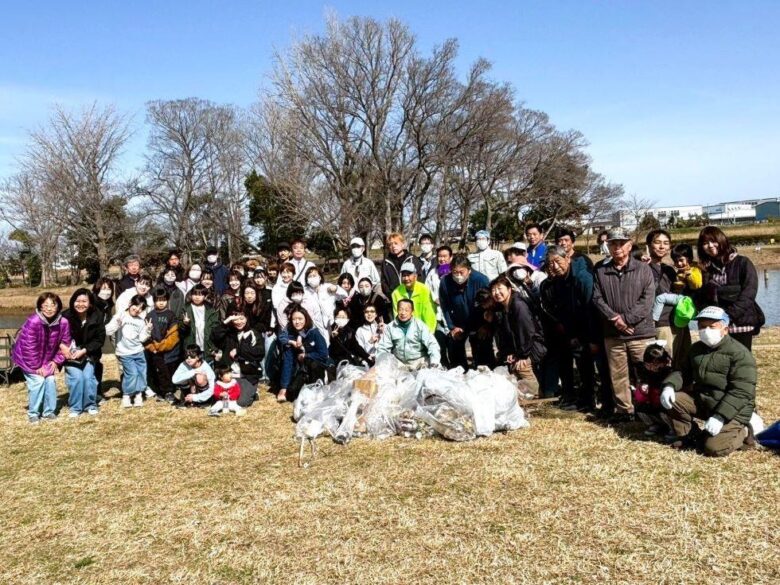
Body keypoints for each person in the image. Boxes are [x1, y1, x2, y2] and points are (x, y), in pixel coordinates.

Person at [660, 306, 757, 456]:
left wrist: (720, 416)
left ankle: (743, 432)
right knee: (674, 400)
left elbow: (741, 392)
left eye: (712, 326)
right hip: (705, 401)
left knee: (713, 448)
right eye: (702, 327)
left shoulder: (740, 354)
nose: (706, 331)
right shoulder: (696, 349)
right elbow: (683, 372)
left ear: (725, 329)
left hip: (734, 410)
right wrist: (669, 385)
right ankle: (689, 435)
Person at [592, 228, 656, 423]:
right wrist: (615, 319)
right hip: (613, 334)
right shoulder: (600, 270)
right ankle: (624, 411)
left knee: (647, 372)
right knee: (618, 375)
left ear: (629, 245)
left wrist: (627, 319)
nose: (617, 247)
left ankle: (649, 409)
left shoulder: (643, 269)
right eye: (613, 243)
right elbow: (597, 298)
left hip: (640, 332)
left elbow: (647, 300)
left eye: (621, 243)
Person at [539, 245, 598, 411]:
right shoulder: (558, 281)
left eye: (557, 261)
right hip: (573, 330)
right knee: (577, 363)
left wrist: (592, 338)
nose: (555, 266)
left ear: (567, 258)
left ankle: (591, 401)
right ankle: (580, 399)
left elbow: (591, 308)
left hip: (590, 328)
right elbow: (564, 310)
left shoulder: (582, 277)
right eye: (550, 264)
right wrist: (571, 334)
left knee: (587, 366)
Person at [696, 225, 764, 350]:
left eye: (713, 241)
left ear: (722, 240)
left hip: (741, 324)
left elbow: (749, 293)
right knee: (719, 358)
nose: (710, 246)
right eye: (705, 243)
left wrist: (728, 316)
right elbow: (702, 297)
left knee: (740, 358)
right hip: (716, 327)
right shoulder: (706, 269)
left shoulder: (742, 263)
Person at [12, 293, 72, 423]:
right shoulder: (33, 321)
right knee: (38, 381)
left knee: (50, 380)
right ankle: (33, 413)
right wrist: (37, 367)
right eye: (45, 305)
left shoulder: (63, 322)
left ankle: (48, 411)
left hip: (47, 360)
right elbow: (29, 348)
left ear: (58, 307)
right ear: (40, 307)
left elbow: (65, 344)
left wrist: (56, 361)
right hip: (27, 359)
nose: (49, 309)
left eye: (53, 305)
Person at [490, 275, 545, 396]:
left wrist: (522, 356)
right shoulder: (502, 308)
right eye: (493, 290)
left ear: (509, 289)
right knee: (508, 366)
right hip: (521, 348)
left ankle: (536, 393)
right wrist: (510, 352)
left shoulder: (518, 305)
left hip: (534, 345)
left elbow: (527, 332)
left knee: (521, 366)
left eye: (499, 288)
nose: (496, 293)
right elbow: (507, 335)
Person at [438, 254, 490, 370]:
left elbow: (489, 305)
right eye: (455, 272)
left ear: (469, 270)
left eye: (461, 272)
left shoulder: (481, 280)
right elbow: (445, 306)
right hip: (458, 321)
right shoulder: (445, 282)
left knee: (482, 351)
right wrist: (452, 327)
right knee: (454, 344)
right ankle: (460, 370)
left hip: (479, 321)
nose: (458, 276)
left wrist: (486, 325)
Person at [62, 289, 106, 417]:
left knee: (88, 378)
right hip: (71, 354)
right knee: (76, 378)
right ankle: (75, 407)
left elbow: (99, 339)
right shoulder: (65, 316)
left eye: (84, 301)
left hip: (89, 353)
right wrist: (63, 347)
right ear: (72, 301)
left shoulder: (97, 315)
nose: (80, 304)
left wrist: (84, 350)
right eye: (78, 301)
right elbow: (56, 336)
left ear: (90, 303)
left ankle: (90, 405)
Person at [277, 306, 333, 402]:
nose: (297, 322)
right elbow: (281, 338)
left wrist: (306, 355)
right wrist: (292, 342)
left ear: (306, 319)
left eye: (300, 319)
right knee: (292, 394)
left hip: (316, 365)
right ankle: (285, 386)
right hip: (301, 368)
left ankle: (318, 387)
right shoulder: (290, 329)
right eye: (294, 319)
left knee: (313, 364)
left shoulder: (314, 332)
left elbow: (323, 354)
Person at [105, 294, 152, 408]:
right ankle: (126, 396)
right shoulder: (121, 315)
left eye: (141, 308)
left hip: (138, 351)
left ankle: (138, 395)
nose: (137, 310)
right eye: (136, 305)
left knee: (141, 373)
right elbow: (107, 331)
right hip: (125, 353)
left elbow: (142, 339)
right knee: (131, 374)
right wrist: (117, 324)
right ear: (130, 303)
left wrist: (148, 330)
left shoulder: (141, 321)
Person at [212, 310, 265, 407]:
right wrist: (226, 321)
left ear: (247, 318)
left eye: (242, 318)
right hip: (229, 375)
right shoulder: (228, 333)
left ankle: (253, 391)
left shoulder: (253, 333)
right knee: (219, 399)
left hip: (246, 375)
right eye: (235, 319)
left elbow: (259, 353)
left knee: (242, 402)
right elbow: (214, 336)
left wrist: (239, 351)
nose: (239, 322)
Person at [376, 299, 441, 369]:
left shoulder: (420, 325)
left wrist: (434, 361)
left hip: (419, 361)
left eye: (406, 310)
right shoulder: (390, 327)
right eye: (400, 309)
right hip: (399, 363)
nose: (403, 313)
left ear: (412, 311)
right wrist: (382, 362)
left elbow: (432, 345)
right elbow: (383, 348)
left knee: (435, 367)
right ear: (397, 310)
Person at [143, 288, 181, 403]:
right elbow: (145, 334)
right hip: (155, 350)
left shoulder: (171, 315)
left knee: (169, 371)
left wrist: (163, 345)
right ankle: (161, 391)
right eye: (158, 300)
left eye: (164, 300)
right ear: (154, 301)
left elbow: (174, 333)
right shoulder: (150, 315)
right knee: (159, 371)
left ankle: (169, 391)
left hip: (169, 350)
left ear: (167, 301)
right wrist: (152, 347)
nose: (161, 303)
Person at [634, 342, 674, 438]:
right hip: (651, 401)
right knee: (640, 409)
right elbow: (641, 384)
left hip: (664, 403)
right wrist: (642, 387)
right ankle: (654, 425)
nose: (652, 368)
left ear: (664, 363)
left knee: (664, 412)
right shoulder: (643, 370)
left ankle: (672, 428)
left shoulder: (668, 372)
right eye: (648, 364)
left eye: (656, 365)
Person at [391, 259, 437, 333]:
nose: (406, 278)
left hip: (423, 331)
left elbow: (429, 315)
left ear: (415, 276)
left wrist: (429, 334)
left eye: (409, 275)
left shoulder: (424, 290)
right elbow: (397, 316)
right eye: (404, 275)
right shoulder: (396, 293)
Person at [426, 245, 453, 367]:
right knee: (439, 341)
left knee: (453, 343)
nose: (442, 259)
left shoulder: (455, 272)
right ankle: (443, 364)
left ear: (451, 257)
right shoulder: (433, 273)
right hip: (437, 312)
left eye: (445, 256)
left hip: (452, 313)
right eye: (439, 256)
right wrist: (434, 297)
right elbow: (427, 289)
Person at [180, 284, 219, 361]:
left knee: (207, 366)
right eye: (195, 294)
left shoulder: (210, 309)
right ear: (191, 295)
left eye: (200, 295)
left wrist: (213, 347)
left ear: (205, 296)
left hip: (207, 346)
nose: (197, 297)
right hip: (191, 346)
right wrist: (185, 324)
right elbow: (181, 330)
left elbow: (215, 328)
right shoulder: (186, 308)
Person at [381, 232, 422, 301]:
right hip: (395, 298)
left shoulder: (412, 259)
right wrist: (392, 295)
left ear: (402, 244)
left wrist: (414, 294)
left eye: (396, 243)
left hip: (413, 297)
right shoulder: (386, 263)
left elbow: (419, 277)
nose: (393, 246)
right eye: (390, 244)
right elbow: (384, 283)